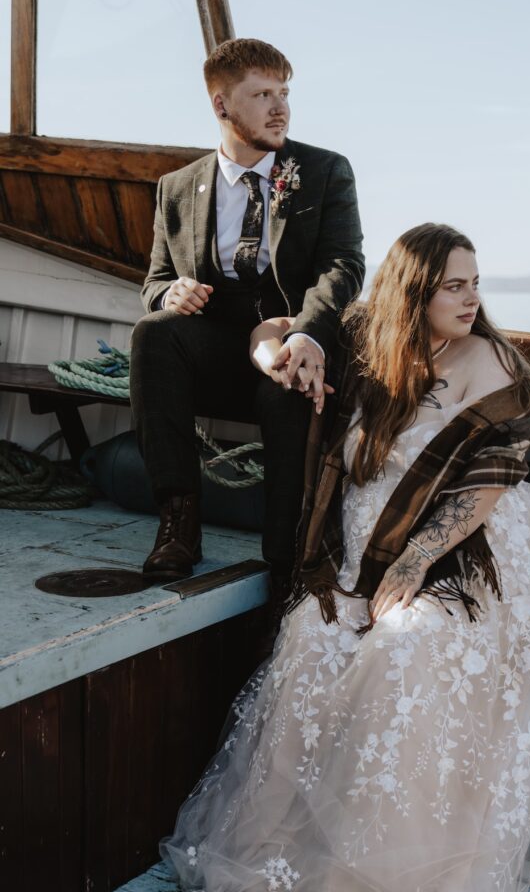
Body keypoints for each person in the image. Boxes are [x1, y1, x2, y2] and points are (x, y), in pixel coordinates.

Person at [161, 224, 530, 892]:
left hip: (464, 553)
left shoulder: (493, 364)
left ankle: (378, 883)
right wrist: (280, 356)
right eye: (453, 285)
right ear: (411, 294)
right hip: (355, 557)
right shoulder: (360, 341)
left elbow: (490, 476)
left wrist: (418, 559)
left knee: (405, 648)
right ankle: (288, 856)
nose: (471, 297)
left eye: (474, 282)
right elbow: (269, 326)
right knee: (309, 639)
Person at [129, 38, 364, 592]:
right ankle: (178, 524)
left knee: (287, 386)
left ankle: (285, 563)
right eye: (262, 94)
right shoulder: (177, 188)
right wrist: (171, 295)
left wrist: (309, 336)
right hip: (213, 348)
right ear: (221, 106)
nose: (280, 107)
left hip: (289, 343)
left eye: (284, 93)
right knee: (154, 335)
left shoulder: (325, 171)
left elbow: (343, 266)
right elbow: (154, 282)